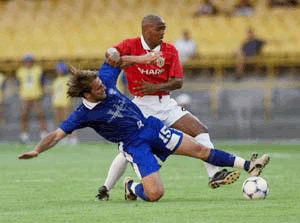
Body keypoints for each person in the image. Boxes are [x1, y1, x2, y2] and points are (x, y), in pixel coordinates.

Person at [18, 55, 270, 202]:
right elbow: (57, 134)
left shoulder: (103, 79)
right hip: (134, 145)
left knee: (200, 149)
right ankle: (131, 187)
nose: (103, 88)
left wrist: (143, 58)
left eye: (102, 84)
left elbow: (115, 57)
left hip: (150, 128)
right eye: (98, 89)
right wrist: (37, 150)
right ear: (87, 94)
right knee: (155, 193)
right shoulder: (82, 114)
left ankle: (249, 165)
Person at [97, 14, 243, 201]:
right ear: (147, 29)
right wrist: (117, 54)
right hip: (141, 105)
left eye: (164, 28)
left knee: (199, 129)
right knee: (129, 147)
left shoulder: (170, 50)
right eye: (159, 28)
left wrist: (156, 87)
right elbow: (111, 55)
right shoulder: (130, 45)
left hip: (165, 103)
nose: (163, 32)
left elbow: (178, 82)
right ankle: (106, 187)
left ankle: (213, 174)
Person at [16, 54, 48, 143]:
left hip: (36, 96)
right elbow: (19, 83)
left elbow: (42, 82)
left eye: (29, 61)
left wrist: (41, 92)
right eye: (26, 61)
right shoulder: (20, 71)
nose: (28, 63)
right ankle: (24, 134)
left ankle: (43, 133)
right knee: (24, 115)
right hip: (25, 96)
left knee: (40, 114)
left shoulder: (38, 70)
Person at [52, 61, 78, 144]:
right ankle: (63, 138)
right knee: (59, 121)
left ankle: (73, 137)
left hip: (65, 102)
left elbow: (72, 91)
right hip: (57, 102)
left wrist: (71, 101)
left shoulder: (69, 79)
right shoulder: (56, 80)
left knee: (68, 121)